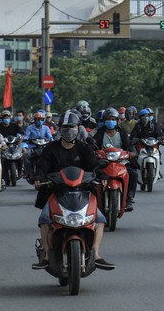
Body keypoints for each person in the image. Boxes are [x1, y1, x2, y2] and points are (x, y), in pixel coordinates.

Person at [32, 110, 114, 270]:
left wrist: (103, 175)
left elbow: (94, 165)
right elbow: (42, 165)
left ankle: (96, 254)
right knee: (44, 219)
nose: (69, 130)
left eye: (72, 127)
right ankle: (47, 256)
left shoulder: (84, 148)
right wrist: (37, 178)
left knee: (100, 219)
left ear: (78, 128)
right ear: (60, 128)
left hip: (82, 191)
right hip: (56, 191)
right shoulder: (51, 148)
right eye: (65, 127)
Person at [92, 108, 138, 211]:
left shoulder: (122, 133)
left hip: (120, 162)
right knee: (91, 176)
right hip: (103, 162)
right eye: (108, 119)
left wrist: (132, 152)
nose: (110, 121)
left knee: (133, 174)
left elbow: (129, 145)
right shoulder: (99, 133)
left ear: (117, 121)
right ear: (104, 121)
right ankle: (93, 200)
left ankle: (129, 199)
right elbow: (92, 145)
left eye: (113, 119)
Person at [22, 111, 53, 178]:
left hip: (44, 148)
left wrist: (52, 143)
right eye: (38, 119)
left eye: (41, 120)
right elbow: (26, 138)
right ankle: (27, 172)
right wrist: (24, 147)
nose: (40, 121)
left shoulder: (46, 128)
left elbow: (50, 138)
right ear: (35, 120)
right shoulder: (30, 128)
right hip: (32, 147)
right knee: (25, 155)